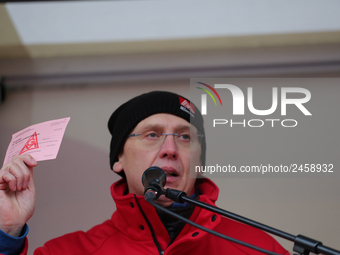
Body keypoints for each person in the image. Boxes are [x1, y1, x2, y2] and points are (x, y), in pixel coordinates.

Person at [0, 91, 289, 255]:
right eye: (152, 135)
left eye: (185, 137)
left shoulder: (258, 247)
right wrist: (7, 232)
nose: (170, 148)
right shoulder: (69, 252)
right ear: (118, 160)